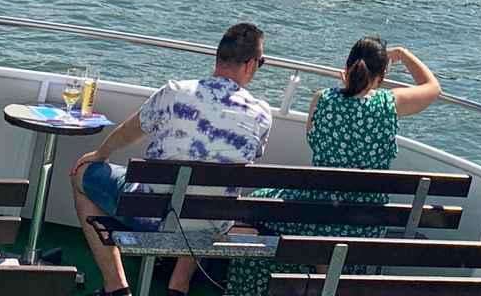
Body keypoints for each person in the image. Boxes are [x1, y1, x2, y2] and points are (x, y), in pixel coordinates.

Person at [225, 37, 441, 296]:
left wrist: (345, 91)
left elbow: (314, 140)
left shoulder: (323, 99)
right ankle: (327, 278)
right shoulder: (390, 103)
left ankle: (255, 288)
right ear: (382, 75)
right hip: (366, 222)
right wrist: (403, 54)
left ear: (347, 68)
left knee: (252, 210)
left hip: (317, 212)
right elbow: (433, 87)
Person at [71, 22, 272, 296]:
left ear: (219, 56)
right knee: (206, 198)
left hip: (152, 216)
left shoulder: (176, 91)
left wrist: (99, 155)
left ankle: (116, 287)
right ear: (250, 65)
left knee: (81, 175)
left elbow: (129, 132)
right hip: (210, 223)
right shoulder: (262, 114)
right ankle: (178, 285)